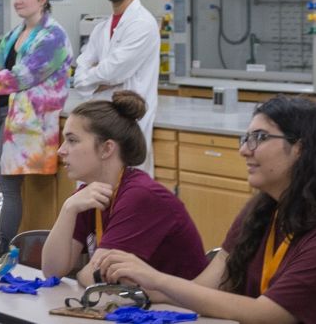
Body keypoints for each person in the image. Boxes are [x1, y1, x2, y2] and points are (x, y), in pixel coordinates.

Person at [92, 95, 316, 323]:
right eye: (246, 138)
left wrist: (157, 278)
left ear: (300, 147)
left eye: (260, 138)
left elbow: (270, 314)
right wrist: (145, 290)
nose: (244, 150)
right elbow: (208, 287)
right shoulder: (263, 211)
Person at [42, 91, 206, 285]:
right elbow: (52, 270)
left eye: (72, 140)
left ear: (106, 149)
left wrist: (80, 274)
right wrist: (68, 208)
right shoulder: (88, 195)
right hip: (140, 307)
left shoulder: (142, 196)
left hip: (186, 312)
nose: (61, 150)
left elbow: (93, 278)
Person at [0, 0, 73, 249]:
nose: (18, 1)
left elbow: (20, 77)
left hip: (29, 122)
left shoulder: (53, 36)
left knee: (9, 188)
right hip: (2, 116)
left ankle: (0, 248)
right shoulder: (15, 34)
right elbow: (1, 73)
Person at [72, 0, 161, 172]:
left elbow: (114, 72)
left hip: (129, 121)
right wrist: (95, 80)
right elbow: (80, 75)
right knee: (93, 192)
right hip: (100, 120)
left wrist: (93, 77)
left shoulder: (143, 24)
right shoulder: (101, 27)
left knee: (126, 191)